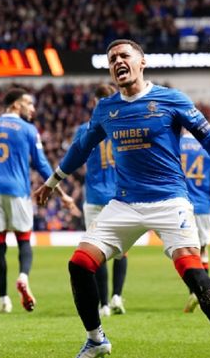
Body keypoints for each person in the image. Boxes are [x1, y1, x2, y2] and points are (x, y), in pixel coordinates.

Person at [34, 39, 210, 358]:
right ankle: (96, 339)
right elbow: (82, 148)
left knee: (193, 272)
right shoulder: (107, 108)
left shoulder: (170, 99)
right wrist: (53, 181)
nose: (118, 62)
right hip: (124, 203)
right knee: (79, 264)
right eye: (112, 59)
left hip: (169, 201)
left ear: (141, 62)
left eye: (124, 56)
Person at [0, 88, 75, 313]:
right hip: (17, 191)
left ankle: (3, 299)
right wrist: (62, 194)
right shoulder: (28, 129)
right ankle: (23, 277)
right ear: (16, 105)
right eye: (29, 104)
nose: (33, 108)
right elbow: (42, 165)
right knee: (24, 241)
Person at [75, 84, 128, 318]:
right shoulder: (123, 126)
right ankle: (117, 295)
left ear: (94, 101)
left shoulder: (83, 129)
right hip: (119, 196)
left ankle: (103, 304)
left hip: (95, 197)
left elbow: (75, 160)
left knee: (98, 250)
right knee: (121, 251)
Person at [180, 129, 210, 313]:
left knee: (185, 251)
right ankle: (202, 295)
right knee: (203, 249)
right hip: (202, 206)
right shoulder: (206, 147)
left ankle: (193, 292)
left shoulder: (174, 144)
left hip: (179, 204)